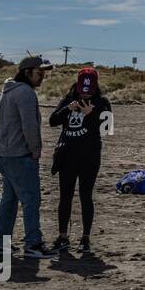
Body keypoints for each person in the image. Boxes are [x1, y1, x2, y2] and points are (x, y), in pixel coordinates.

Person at [0, 55, 57, 259]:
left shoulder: (8, 90)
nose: (43, 77)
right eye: (40, 73)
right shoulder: (25, 93)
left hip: (5, 154)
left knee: (9, 200)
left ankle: (1, 244)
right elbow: (29, 126)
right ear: (27, 72)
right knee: (31, 201)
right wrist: (36, 150)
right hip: (20, 155)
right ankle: (33, 244)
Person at [49, 67, 111, 253]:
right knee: (65, 197)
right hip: (67, 155)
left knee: (86, 196)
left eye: (89, 91)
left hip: (89, 157)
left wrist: (90, 115)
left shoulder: (102, 102)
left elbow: (107, 129)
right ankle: (63, 236)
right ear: (77, 86)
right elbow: (52, 121)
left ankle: (85, 237)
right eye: (82, 91)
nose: (85, 95)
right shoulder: (69, 99)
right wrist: (67, 109)